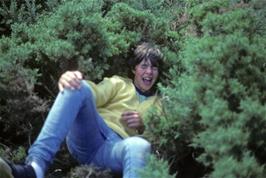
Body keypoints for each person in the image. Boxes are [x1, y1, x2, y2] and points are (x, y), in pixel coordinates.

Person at [0, 42, 163, 178]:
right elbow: (95, 93)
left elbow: (161, 139)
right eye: (144, 66)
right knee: (78, 86)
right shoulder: (119, 83)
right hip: (91, 136)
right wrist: (72, 82)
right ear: (134, 69)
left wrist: (143, 125)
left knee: (139, 146)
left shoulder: (160, 104)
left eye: (154, 68)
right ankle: (35, 167)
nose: (149, 72)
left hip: (117, 151)